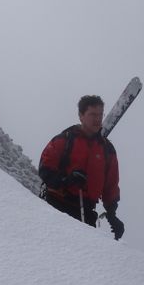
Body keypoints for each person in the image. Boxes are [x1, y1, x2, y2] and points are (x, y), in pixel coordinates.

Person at [39, 95, 125, 240]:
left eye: (100, 114)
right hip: (56, 206)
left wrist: (112, 214)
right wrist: (66, 180)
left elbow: (110, 184)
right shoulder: (65, 139)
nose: (97, 119)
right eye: (92, 114)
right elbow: (45, 169)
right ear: (81, 116)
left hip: (86, 211)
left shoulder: (107, 150)